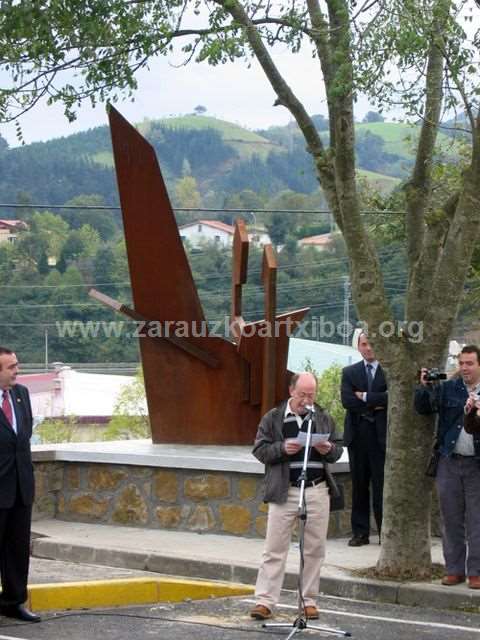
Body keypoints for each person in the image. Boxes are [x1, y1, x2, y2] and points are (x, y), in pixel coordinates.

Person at [249, 372, 343, 621]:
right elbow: (259, 449)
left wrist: (329, 448)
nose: (306, 400)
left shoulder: (322, 418)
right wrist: (282, 448)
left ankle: (308, 601)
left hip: (316, 489)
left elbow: (338, 450)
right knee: (274, 548)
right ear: (292, 391)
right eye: (302, 394)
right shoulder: (274, 417)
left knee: (314, 548)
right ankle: (265, 601)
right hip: (285, 490)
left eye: (311, 395)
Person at [415, 344, 480, 589]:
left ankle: (476, 571)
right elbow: (423, 408)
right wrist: (424, 386)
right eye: (461, 363)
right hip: (449, 460)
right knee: (450, 518)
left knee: (477, 519)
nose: (464, 368)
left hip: (477, 463)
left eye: (470, 363)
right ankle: (454, 569)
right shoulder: (449, 388)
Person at [0, 347, 41, 622]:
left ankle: (13, 602)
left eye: (17, 364)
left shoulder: (21, 394)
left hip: (20, 487)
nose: (17, 370)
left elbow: (22, 439)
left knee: (17, 548)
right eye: (11, 367)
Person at [341, 332, 387, 546]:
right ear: (358, 346)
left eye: (373, 344)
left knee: (381, 487)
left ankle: (384, 532)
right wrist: (376, 404)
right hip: (357, 437)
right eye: (364, 344)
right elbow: (348, 401)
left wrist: (366, 397)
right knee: (359, 486)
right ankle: (360, 533)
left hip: (381, 438)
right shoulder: (349, 372)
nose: (369, 348)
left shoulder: (389, 372)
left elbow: (392, 397)